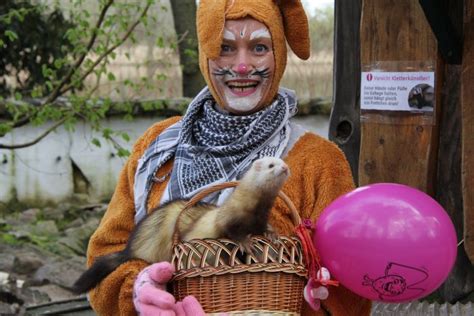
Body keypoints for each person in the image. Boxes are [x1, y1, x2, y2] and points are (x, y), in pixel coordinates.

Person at [86, 0, 372, 315]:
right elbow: (105, 257)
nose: (242, 65)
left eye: (260, 47)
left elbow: (350, 296)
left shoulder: (319, 161)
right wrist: (137, 293)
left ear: (279, 52)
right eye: (224, 48)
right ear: (204, 51)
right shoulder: (156, 146)